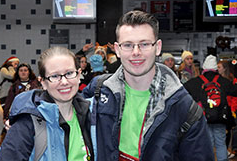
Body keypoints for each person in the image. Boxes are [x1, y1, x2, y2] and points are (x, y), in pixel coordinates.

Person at [83, 10, 214, 160]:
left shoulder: (185, 109)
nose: (136, 52)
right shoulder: (98, 91)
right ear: (118, 50)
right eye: (128, 45)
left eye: (144, 44)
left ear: (157, 47)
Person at [0, 47, 94, 160]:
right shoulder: (28, 122)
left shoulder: (92, 115)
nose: (64, 82)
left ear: (78, 75)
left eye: (70, 73)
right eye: (55, 76)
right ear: (43, 82)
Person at [184, 55, 237, 161]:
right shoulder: (223, 81)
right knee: (220, 143)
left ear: (204, 67)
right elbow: (234, 91)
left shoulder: (194, 82)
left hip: (202, 118)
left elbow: (183, 92)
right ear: (216, 69)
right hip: (220, 117)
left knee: (206, 145)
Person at [0, 56, 20, 148]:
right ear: (10, 62)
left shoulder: (12, 70)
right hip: (4, 97)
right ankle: (3, 142)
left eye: (17, 64)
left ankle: (6, 142)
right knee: (8, 118)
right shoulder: (4, 70)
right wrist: (11, 67)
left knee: (10, 119)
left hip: (10, 97)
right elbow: (12, 76)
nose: (16, 65)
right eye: (15, 63)